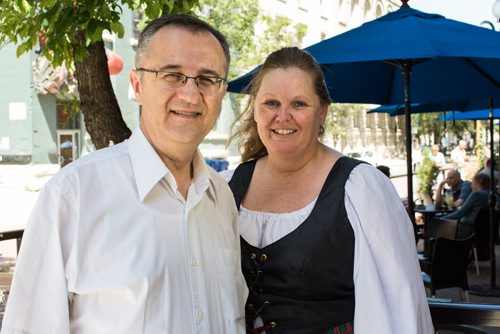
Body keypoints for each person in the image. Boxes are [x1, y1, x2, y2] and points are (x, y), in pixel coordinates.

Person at [1, 14, 247, 333]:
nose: (190, 94)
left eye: (207, 79)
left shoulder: (220, 198)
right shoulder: (73, 196)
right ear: (137, 85)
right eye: (172, 75)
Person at [223, 47, 433, 333]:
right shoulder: (226, 186)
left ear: (322, 112)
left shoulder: (360, 188)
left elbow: (401, 301)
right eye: (271, 103)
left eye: (299, 104)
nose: (282, 117)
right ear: (255, 111)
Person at [440, 173, 491, 238]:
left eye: (472, 183)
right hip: (486, 231)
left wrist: (441, 219)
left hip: (468, 229)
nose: (471, 186)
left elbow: (460, 213)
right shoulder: (495, 196)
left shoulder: (476, 194)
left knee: (437, 227)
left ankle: (433, 247)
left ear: (479, 182)